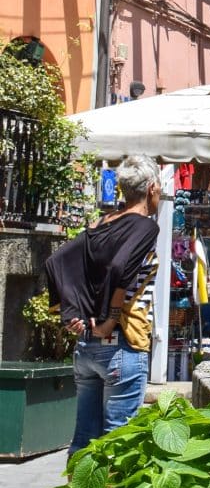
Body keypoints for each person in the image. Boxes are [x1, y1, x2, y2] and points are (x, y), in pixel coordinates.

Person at [48, 153, 162, 455]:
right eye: (160, 189)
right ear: (151, 188)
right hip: (123, 342)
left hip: (87, 344)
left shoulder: (100, 223)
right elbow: (118, 269)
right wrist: (111, 318)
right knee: (118, 447)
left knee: (83, 442)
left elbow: (58, 262)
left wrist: (72, 312)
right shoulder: (145, 227)